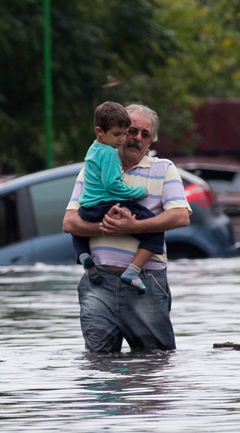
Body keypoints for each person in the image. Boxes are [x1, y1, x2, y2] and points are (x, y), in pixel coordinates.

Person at [62, 103, 191, 353]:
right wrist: (106, 227)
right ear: (116, 132)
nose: (136, 138)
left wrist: (134, 226)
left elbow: (180, 217)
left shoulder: (164, 168)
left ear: (151, 142)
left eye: (145, 134)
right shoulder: (92, 168)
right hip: (98, 282)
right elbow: (69, 222)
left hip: (147, 282)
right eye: (131, 131)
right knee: (98, 364)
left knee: (155, 361)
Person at [73, 102, 164, 295]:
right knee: (156, 230)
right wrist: (139, 192)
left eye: (145, 135)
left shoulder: (93, 149)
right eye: (121, 134)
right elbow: (113, 184)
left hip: (88, 207)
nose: (123, 139)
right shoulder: (110, 154)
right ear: (100, 131)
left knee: (78, 231)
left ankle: (84, 256)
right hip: (108, 205)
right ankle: (133, 271)